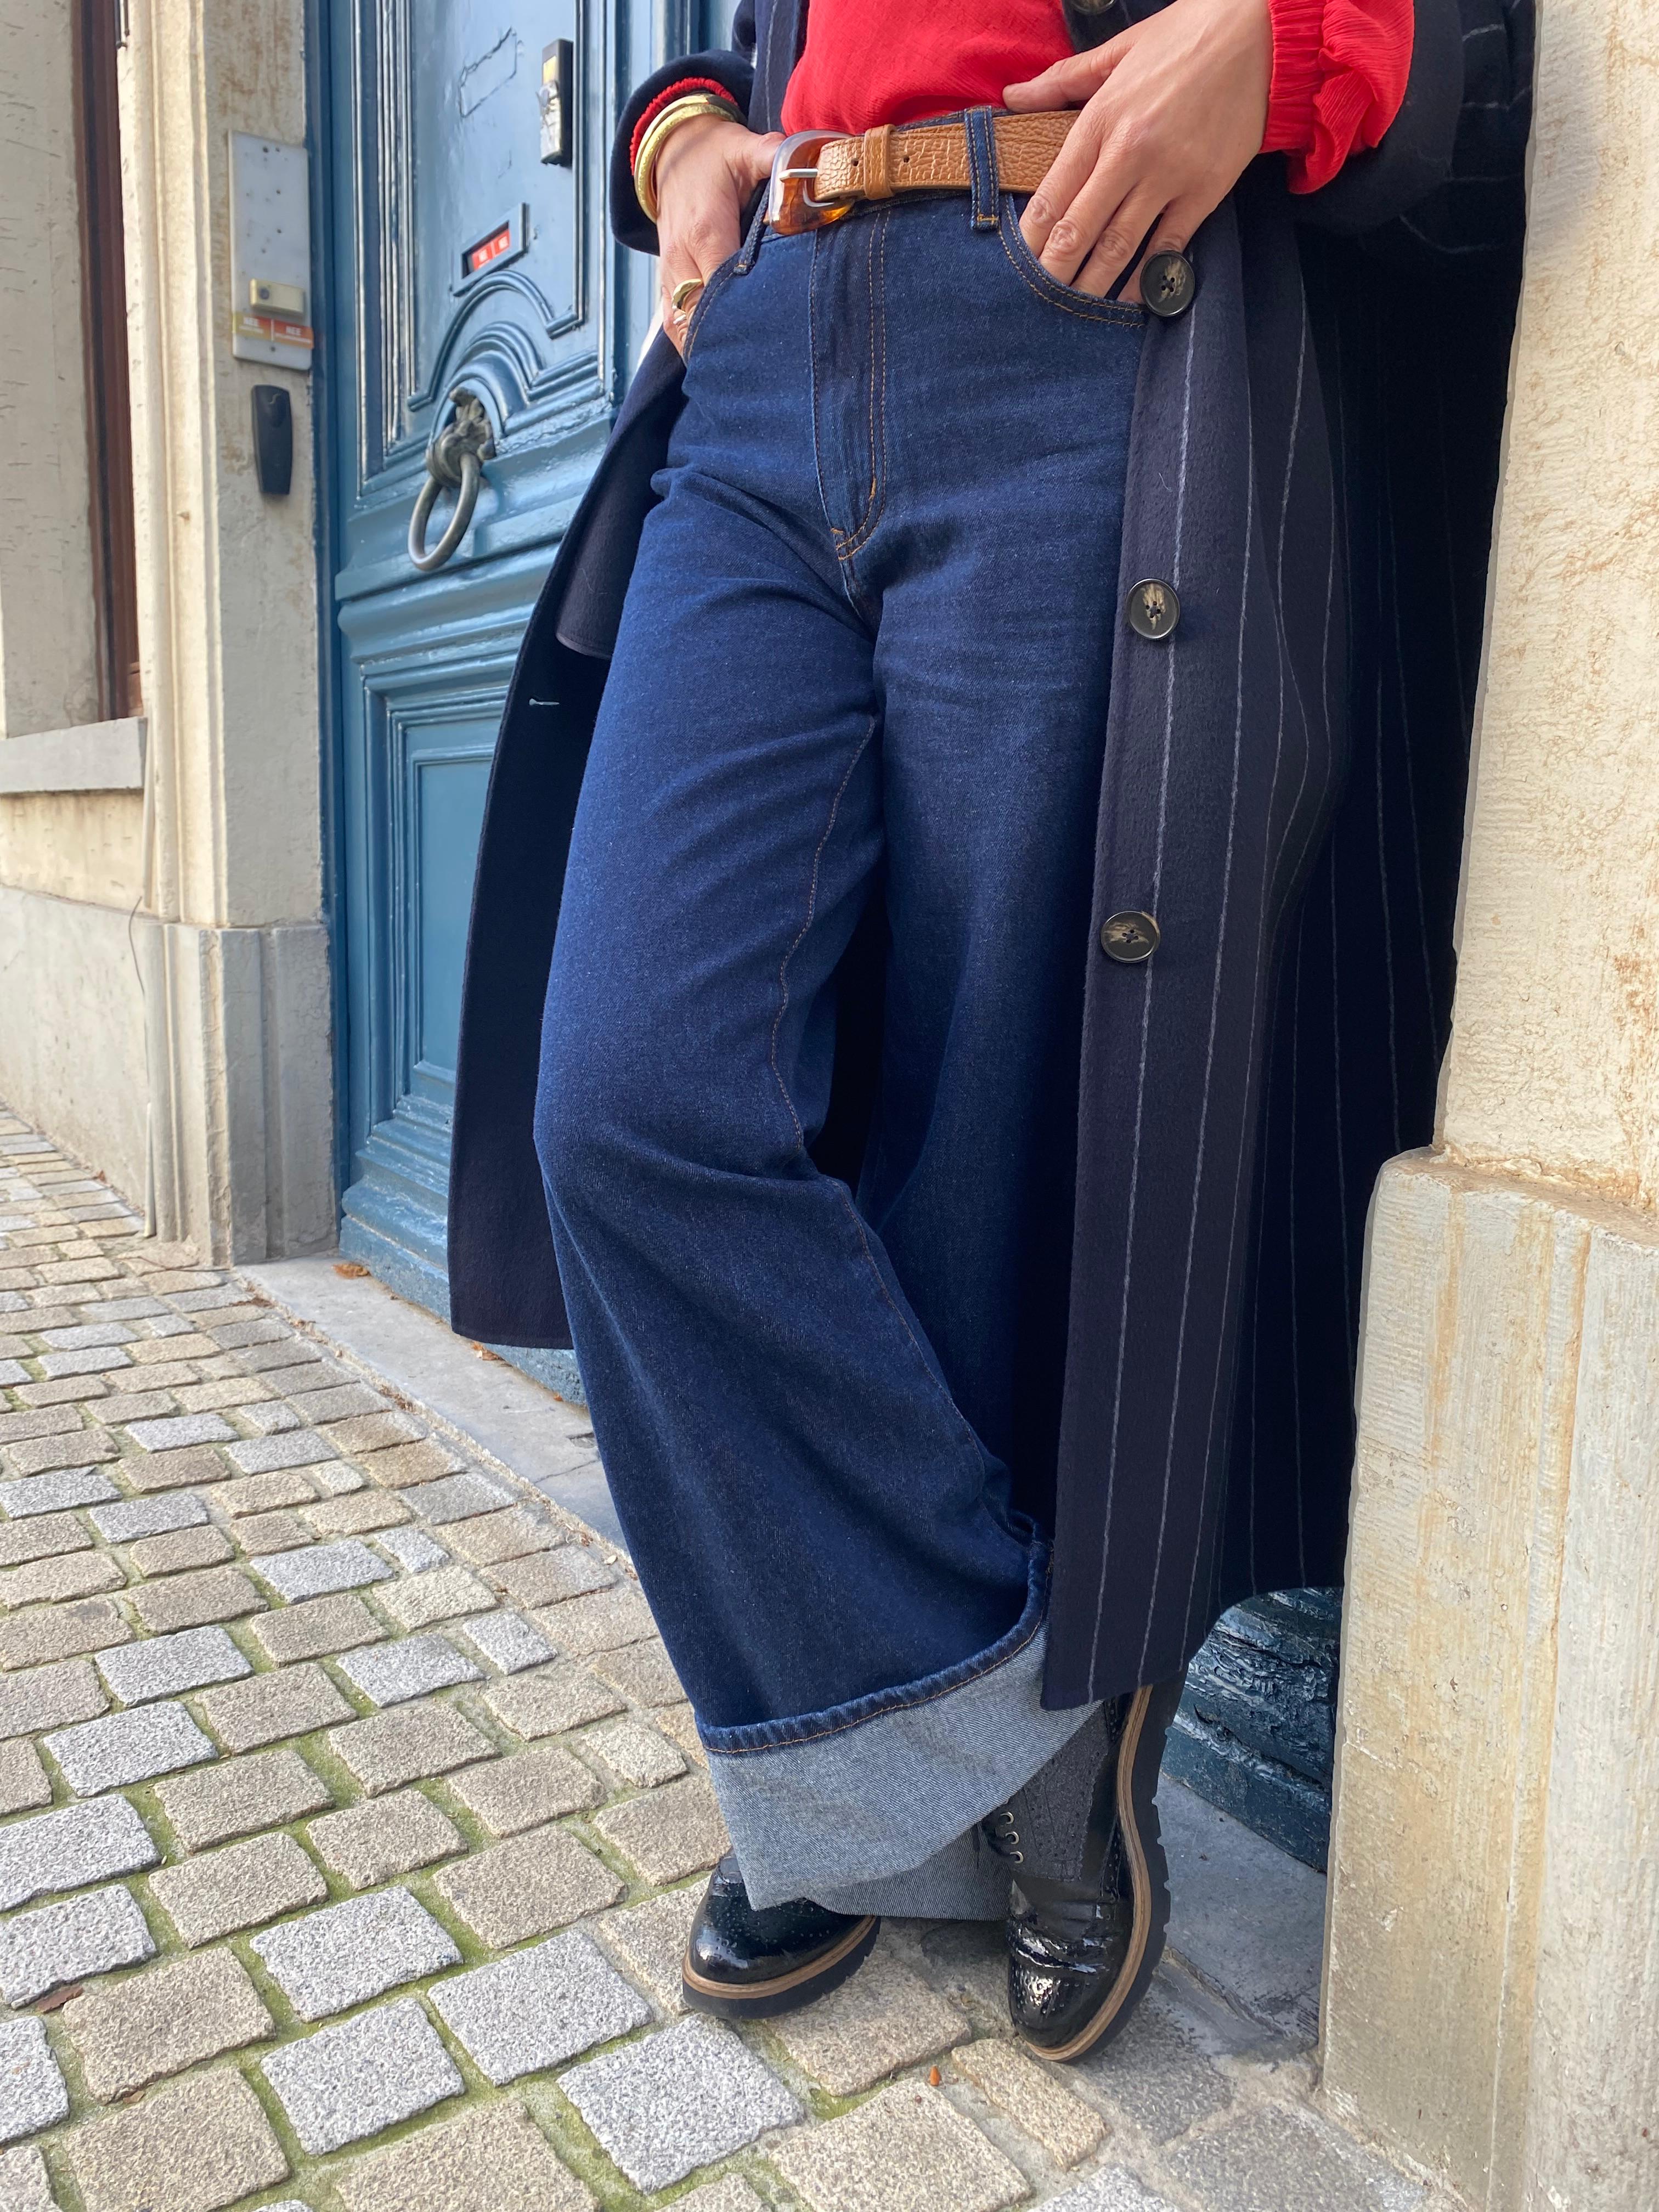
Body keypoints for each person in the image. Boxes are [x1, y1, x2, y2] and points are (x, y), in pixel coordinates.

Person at [447, 0, 1532, 2059]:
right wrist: (684, 135)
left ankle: (863, 1775)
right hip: (768, 342)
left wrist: (1287, 37)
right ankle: (932, 1723)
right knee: (630, 1096)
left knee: (981, 1109)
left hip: (1072, 290)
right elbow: (724, 41)